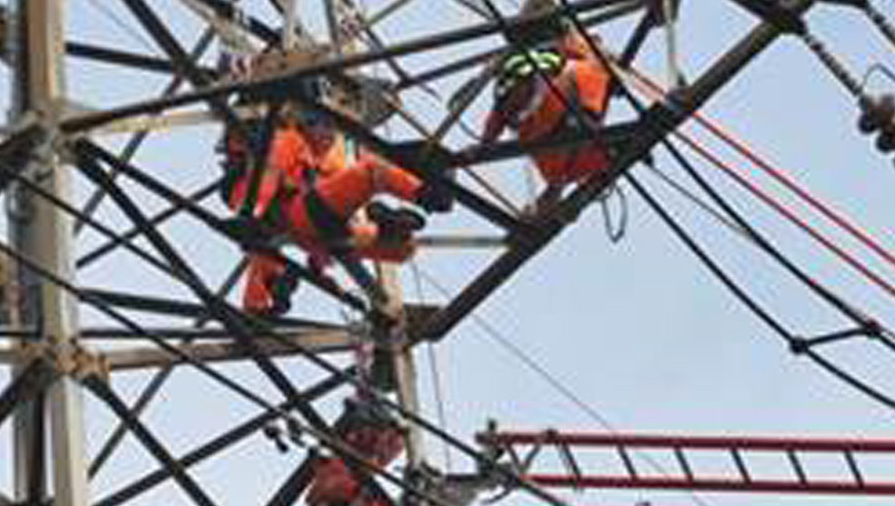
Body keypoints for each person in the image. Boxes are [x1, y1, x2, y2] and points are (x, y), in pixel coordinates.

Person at [221, 80, 453, 317]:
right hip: (304, 213)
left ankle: (384, 224)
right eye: (319, 124)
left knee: (405, 247)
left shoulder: (333, 155)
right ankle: (424, 194)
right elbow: (265, 182)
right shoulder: (287, 141)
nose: (328, 134)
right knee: (372, 171)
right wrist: (252, 214)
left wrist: (316, 269)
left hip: (327, 232)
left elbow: (338, 193)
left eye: (332, 126)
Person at [483, 27, 618, 188]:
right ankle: (607, 152)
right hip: (562, 107)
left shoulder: (508, 79)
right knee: (593, 70)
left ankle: (605, 153)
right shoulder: (558, 54)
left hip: (546, 124)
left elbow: (496, 119)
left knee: (556, 175)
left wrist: (484, 144)